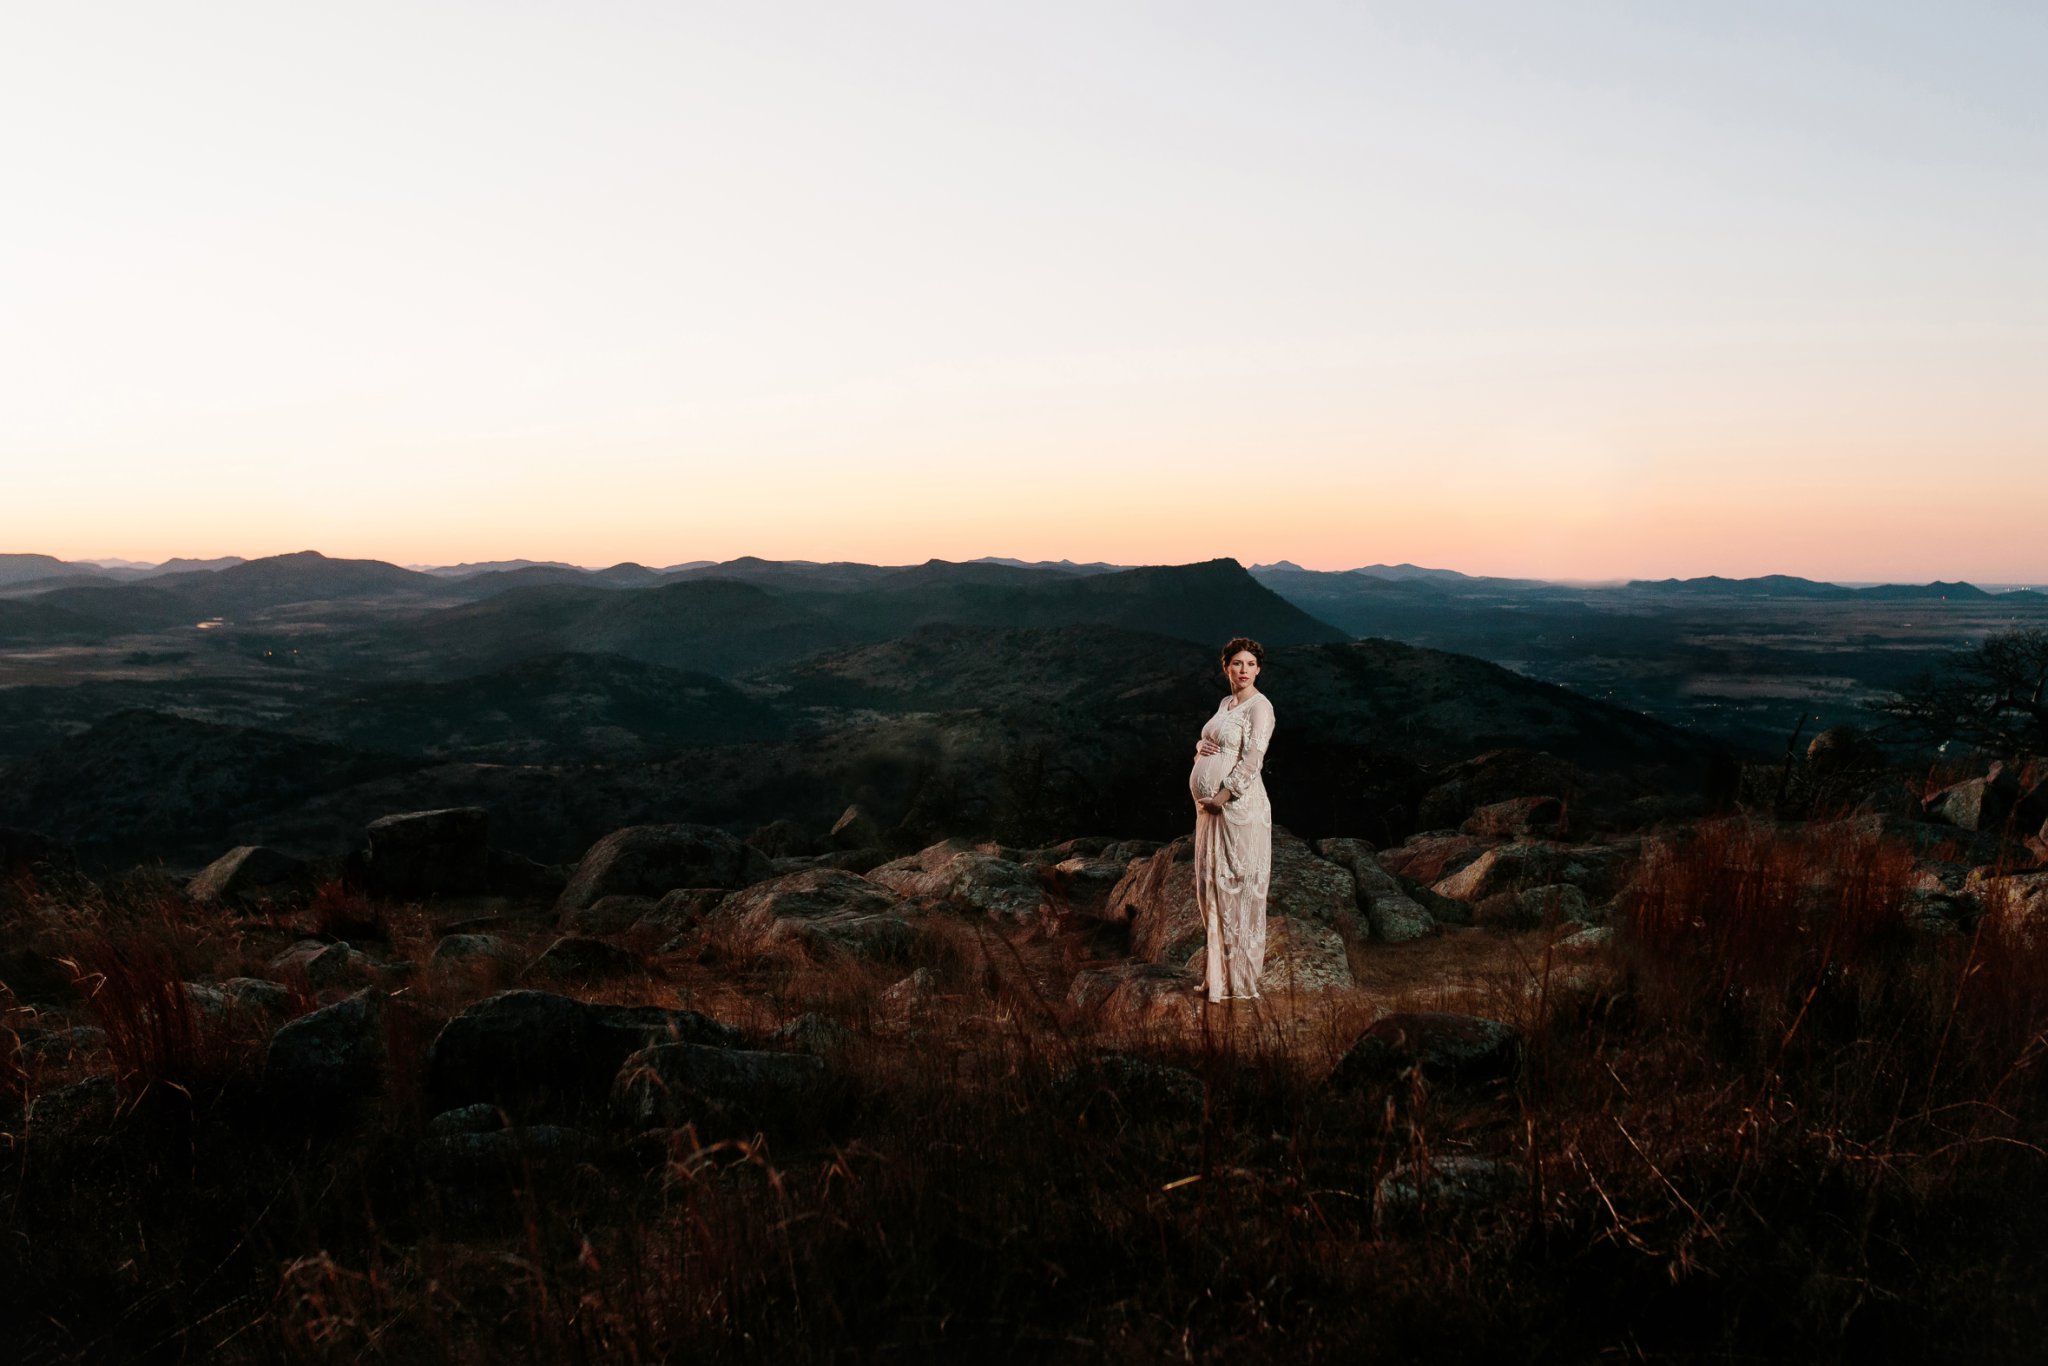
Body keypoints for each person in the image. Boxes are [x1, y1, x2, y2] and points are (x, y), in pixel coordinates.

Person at [1189, 636, 1275, 1002]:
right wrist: (1200, 748)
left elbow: (1253, 761)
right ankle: (1216, 978)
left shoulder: (1261, 707)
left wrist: (1221, 798)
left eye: (1250, 664)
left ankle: (1238, 982)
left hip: (1237, 811)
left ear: (1258, 669)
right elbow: (1216, 741)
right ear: (1226, 667)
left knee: (1236, 890)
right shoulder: (1226, 703)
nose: (1244, 671)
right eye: (1237, 663)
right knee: (1210, 887)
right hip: (1209, 812)